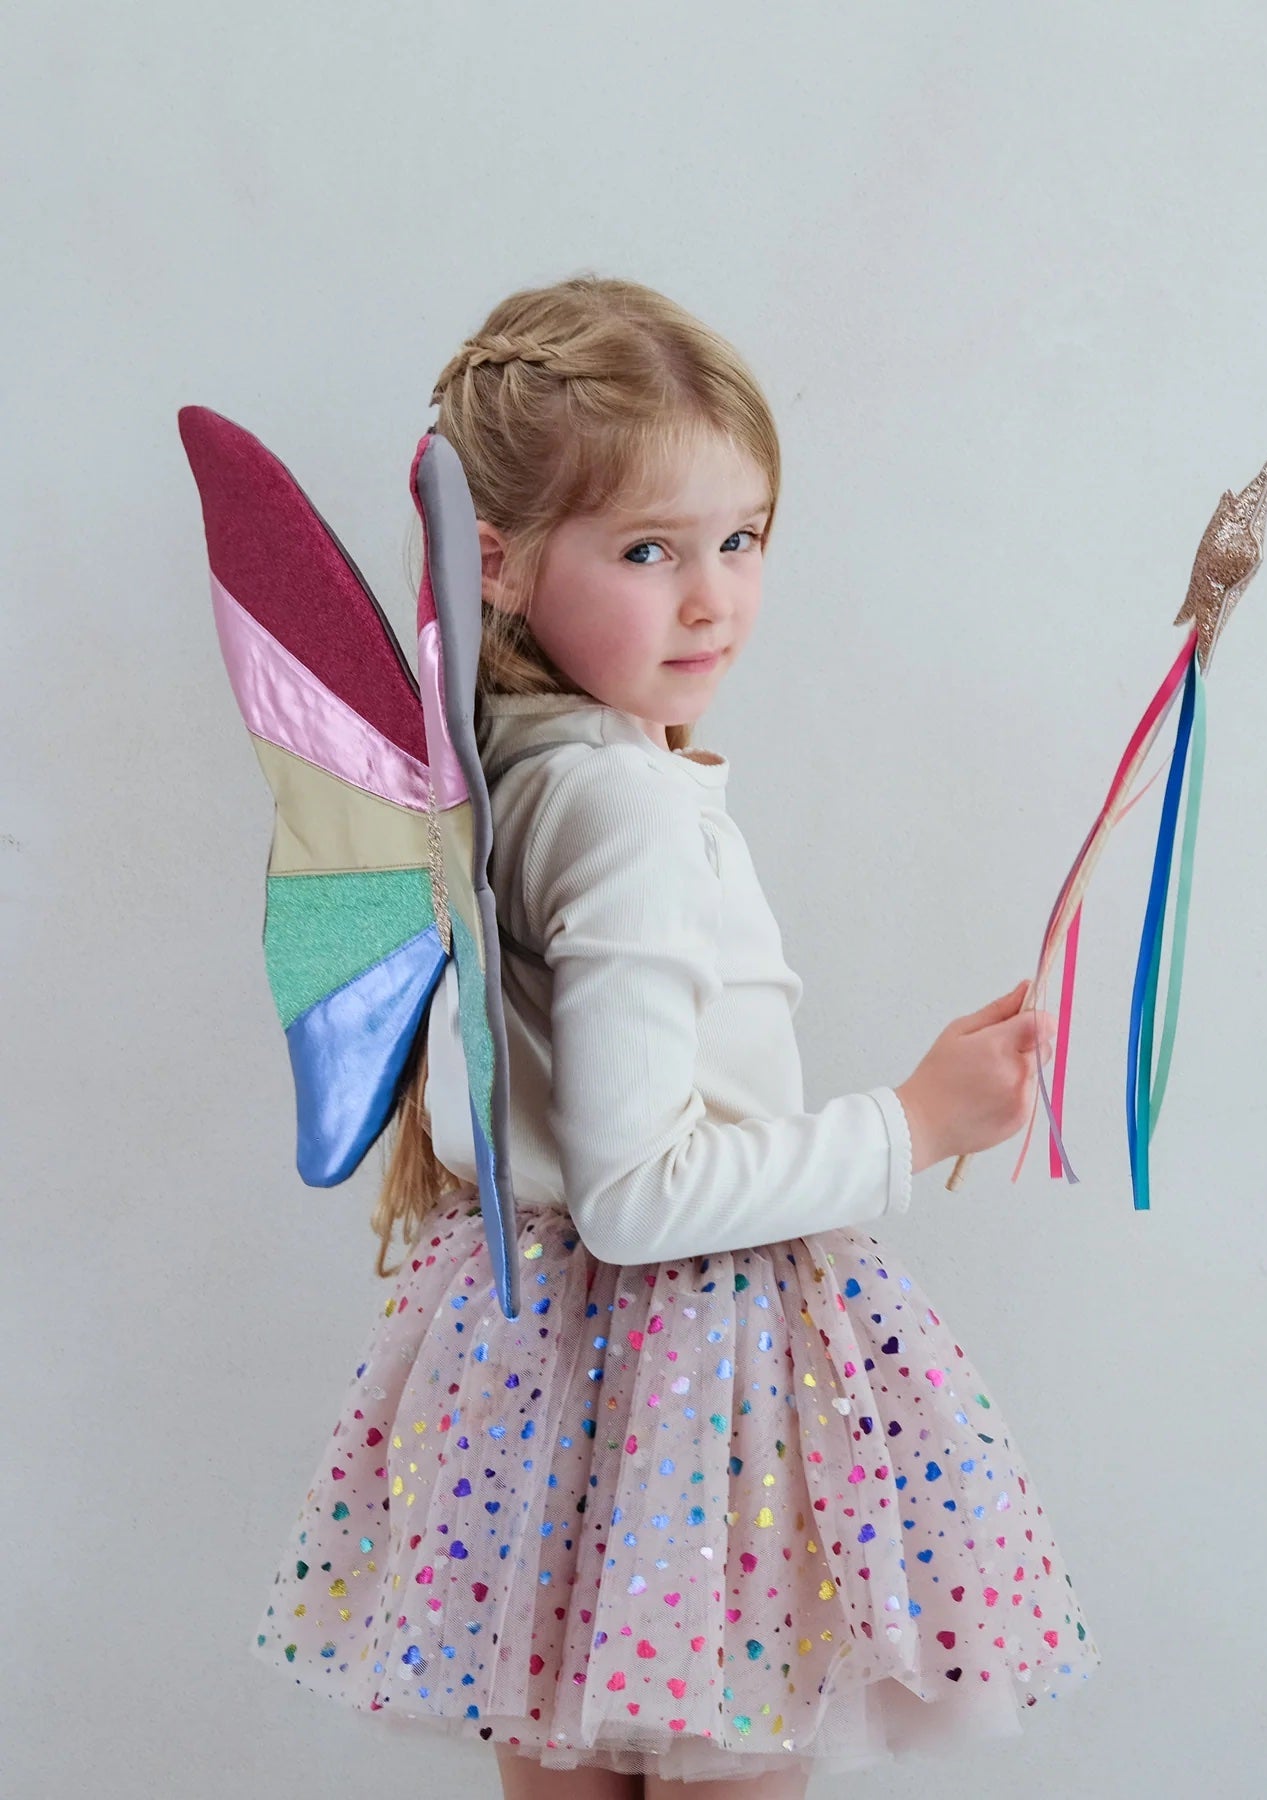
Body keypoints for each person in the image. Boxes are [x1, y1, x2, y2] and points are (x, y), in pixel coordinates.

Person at [249, 273, 1098, 1796]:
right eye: (651, 550)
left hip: (540, 1373)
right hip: (693, 1383)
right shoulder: (623, 806)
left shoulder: (495, 768)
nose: (712, 597)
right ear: (497, 562)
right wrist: (914, 1120)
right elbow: (639, 1199)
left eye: (742, 538)